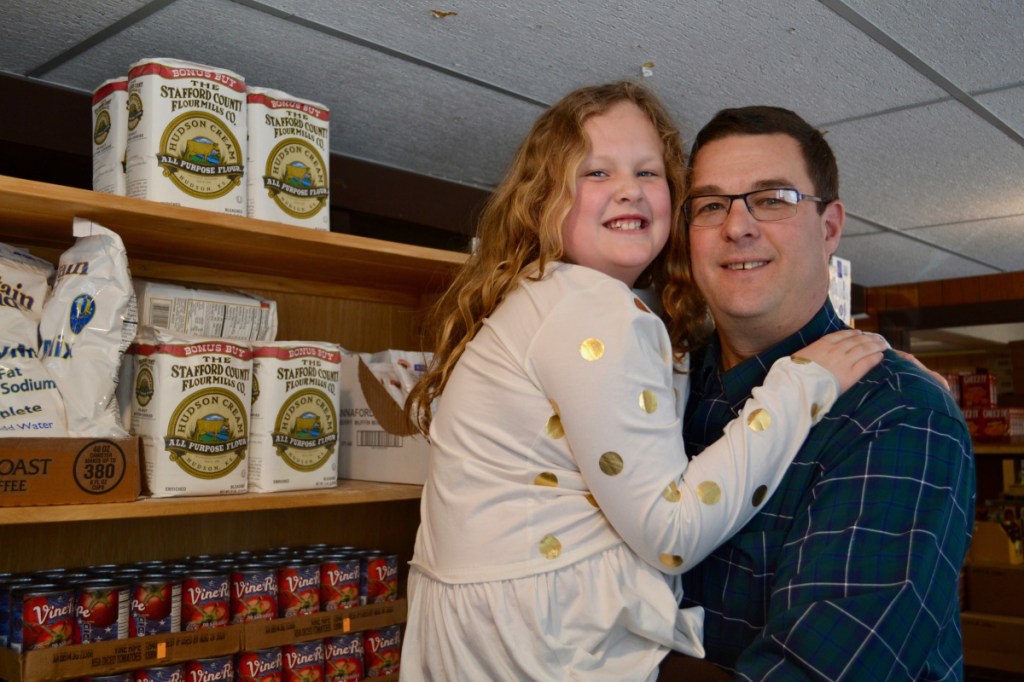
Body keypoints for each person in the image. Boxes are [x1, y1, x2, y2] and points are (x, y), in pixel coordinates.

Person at [399, 82, 887, 681]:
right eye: (595, 172)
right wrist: (807, 382)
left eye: (647, 172)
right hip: (543, 643)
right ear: (543, 200)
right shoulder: (594, 314)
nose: (627, 188)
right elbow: (671, 530)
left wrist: (865, 351)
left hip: (490, 634)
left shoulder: (552, 300)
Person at [665, 106, 976, 680]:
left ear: (829, 227)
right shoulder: (661, 388)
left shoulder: (898, 413)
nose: (737, 226)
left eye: (773, 198)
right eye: (711, 205)